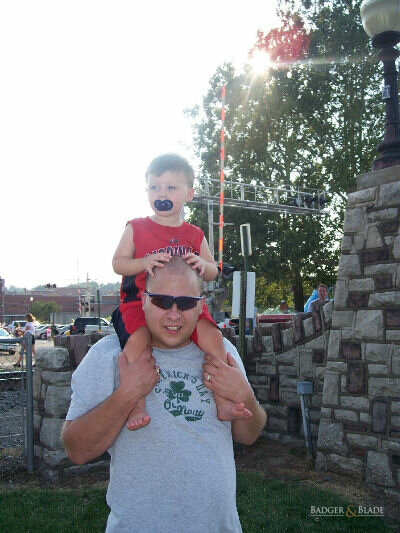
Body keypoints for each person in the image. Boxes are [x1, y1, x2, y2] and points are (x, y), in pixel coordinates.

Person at [62, 257, 266, 533]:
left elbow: (248, 435)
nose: (173, 314)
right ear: (143, 301)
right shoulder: (109, 356)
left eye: (185, 303)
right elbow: (77, 450)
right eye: (161, 301)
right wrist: (128, 393)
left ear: (201, 305)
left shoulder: (221, 352)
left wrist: (246, 396)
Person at [112, 153, 245, 431]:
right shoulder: (136, 227)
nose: (162, 193)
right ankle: (135, 402)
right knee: (136, 343)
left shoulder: (194, 234)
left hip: (187, 304)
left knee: (214, 341)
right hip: (141, 302)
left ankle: (222, 399)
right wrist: (143, 263)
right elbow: (118, 263)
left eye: (171, 187)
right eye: (155, 187)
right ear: (147, 190)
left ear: (189, 194)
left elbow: (212, 270)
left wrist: (203, 264)